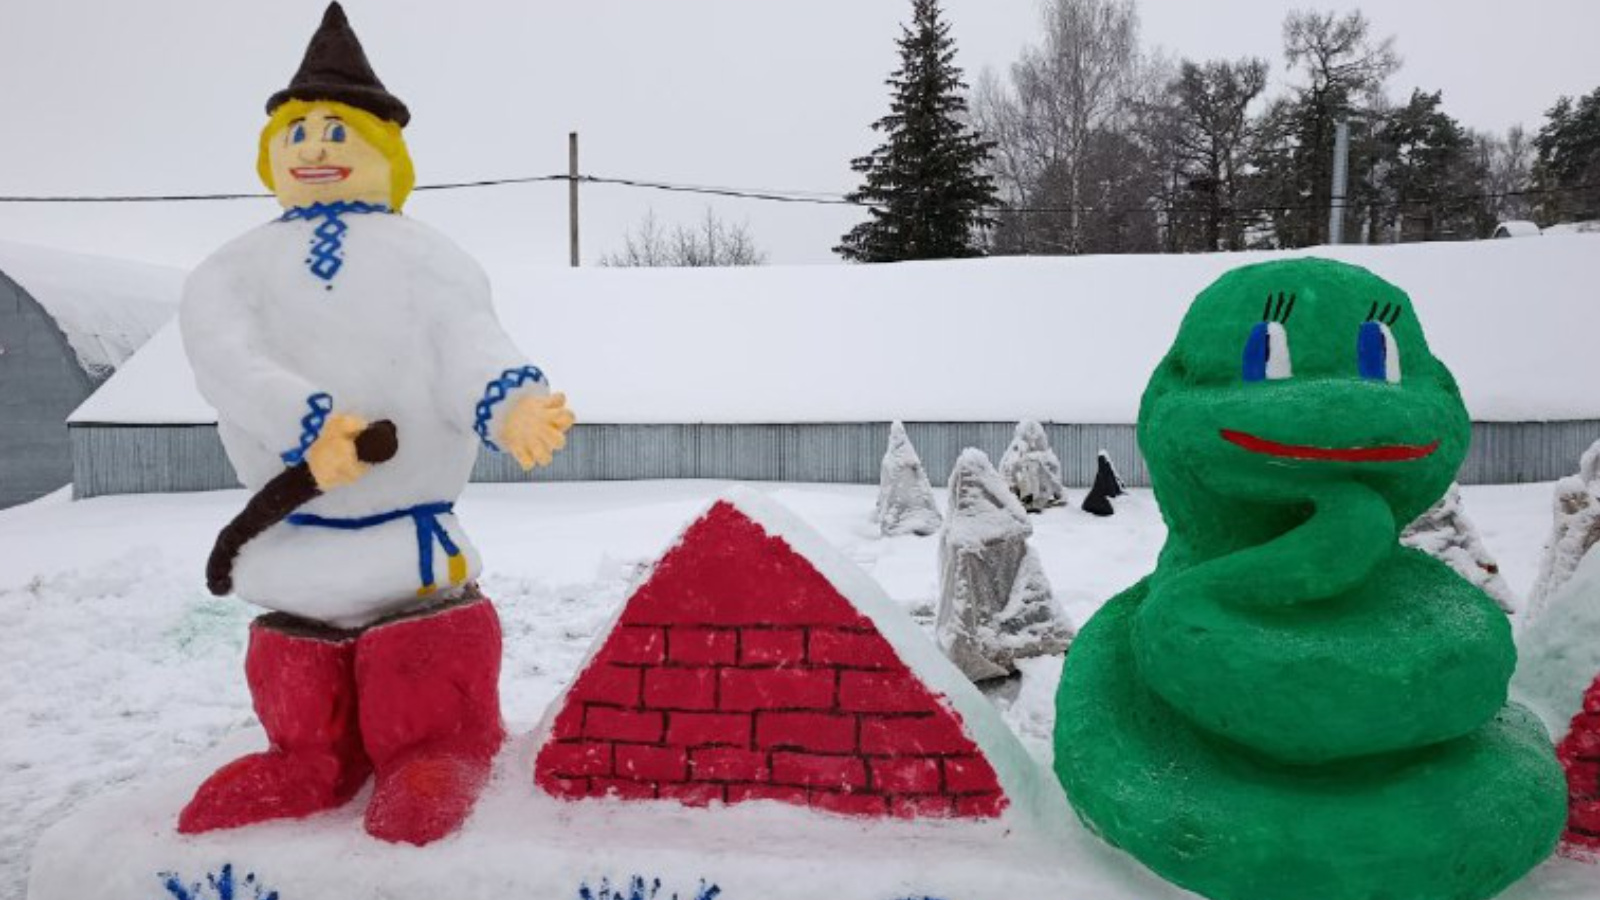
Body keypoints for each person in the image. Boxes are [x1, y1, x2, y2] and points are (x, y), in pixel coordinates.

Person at [176, 2, 574, 846]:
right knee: (297, 653)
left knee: (417, 653)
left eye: (337, 132)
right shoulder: (231, 269)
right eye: (296, 134)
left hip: (406, 543)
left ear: (384, 152)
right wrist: (305, 424)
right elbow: (225, 360)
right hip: (298, 532)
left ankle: (437, 749)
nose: (313, 148)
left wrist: (511, 404)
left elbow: (467, 344)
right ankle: (306, 759)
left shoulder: (426, 258)